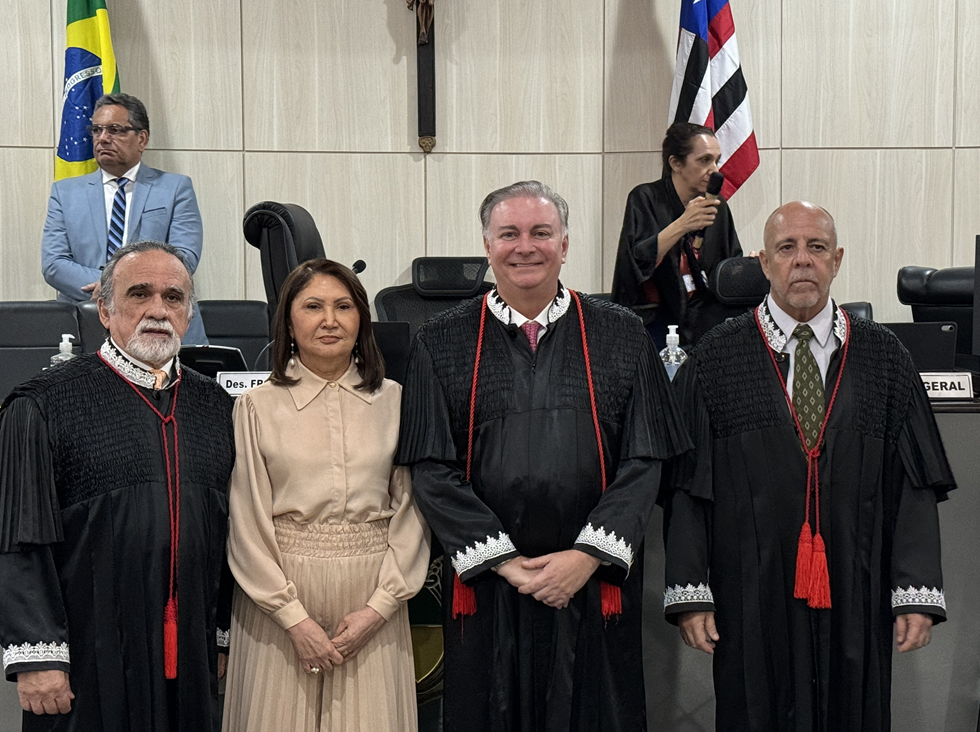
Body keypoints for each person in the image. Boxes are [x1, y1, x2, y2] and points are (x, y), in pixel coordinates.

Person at [396, 180, 691, 732]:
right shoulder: (440, 342)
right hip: (488, 588)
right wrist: (506, 562)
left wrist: (584, 557)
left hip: (594, 582)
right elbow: (431, 470)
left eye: (541, 232)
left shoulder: (624, 335)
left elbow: (646, 460)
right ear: (487, 245)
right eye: (509, 233)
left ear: (565, 243)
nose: (524, 246)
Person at [663, 201, 955, 732]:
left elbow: (914, 484)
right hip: (748, 588)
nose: (803, 260)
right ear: (764, 262)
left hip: (855, 585)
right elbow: (688, 487)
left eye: (816, 247)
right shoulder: (715, 360)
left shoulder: (885, 358)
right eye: (787, 248)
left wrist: (914, 592)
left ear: (837, 259)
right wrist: (690, 590)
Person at [0, 240, 236, 731]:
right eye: (140, 294)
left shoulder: (217, 409)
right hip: (85, 660)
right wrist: (38, 657)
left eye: (174, 297)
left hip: (190, 657)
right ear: (104, 308)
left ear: (189, 313)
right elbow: (10, 543)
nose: (158, 310)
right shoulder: (43, 405)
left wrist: (220, 637)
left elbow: (230, 537)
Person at [222, 259, 430, 732]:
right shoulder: (255, 407)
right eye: (313, 306)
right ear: (289, 321)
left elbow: (413, 511)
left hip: (373, 592)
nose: (330, 320)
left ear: (362, 320)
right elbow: (247, 521)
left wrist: (380, 607)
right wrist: (292, 617)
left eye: (343, 306)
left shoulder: (398, 401)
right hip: (278, 596)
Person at [41, 93, 208, 344]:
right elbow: (54, 263)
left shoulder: (175, 188)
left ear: (142, 138)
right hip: (85, 324)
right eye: (96, 130)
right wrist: (111, 289)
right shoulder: (65, 193)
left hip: (162, 324)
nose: (103, 138)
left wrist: (126, 286)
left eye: (115, 130)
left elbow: (184, 257)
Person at [611, 122, 742, 349]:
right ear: (676, 163)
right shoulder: (646, 197)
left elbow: (729, 265)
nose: (714, 170)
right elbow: (635, 262)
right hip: (655, 322)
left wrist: (749, 267)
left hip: (706, 321)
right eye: (704, 160)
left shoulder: (717, 206)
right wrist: (682, 224)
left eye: (716, 160)